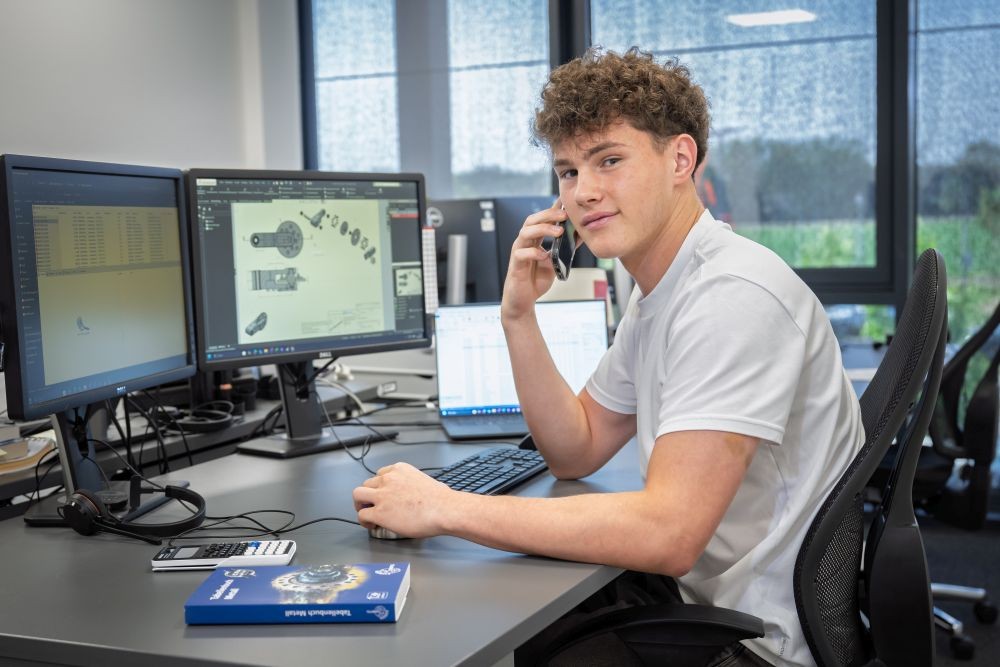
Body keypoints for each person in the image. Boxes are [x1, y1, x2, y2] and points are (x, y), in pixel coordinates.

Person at [353, 48, 864, 667]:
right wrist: (518, 316)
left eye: (609, 160)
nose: (584, 192)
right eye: (568, 172)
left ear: (680, 160)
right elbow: (576, 448)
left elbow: (668, 533)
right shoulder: (662, 293)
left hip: (755, 644)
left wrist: (445, 506)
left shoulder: (730, 297)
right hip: (704, 599)